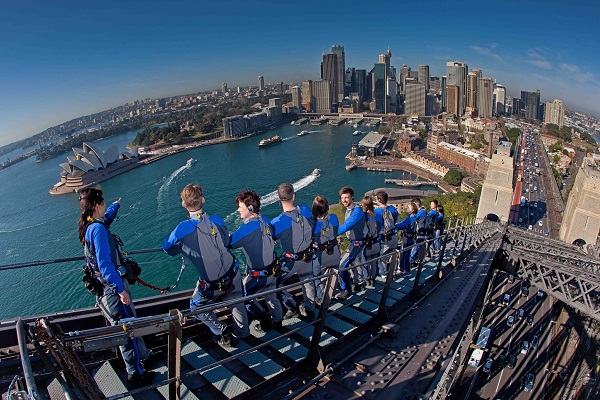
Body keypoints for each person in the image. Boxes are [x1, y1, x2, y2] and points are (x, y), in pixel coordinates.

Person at [78, 188, 154, 386]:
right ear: (96, 206)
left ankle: (143, 356)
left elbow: (107, 218)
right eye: (103, 203)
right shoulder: (99, 230)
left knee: (128, 326)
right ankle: (135, 374)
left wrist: (115, 205)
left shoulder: (91, 226)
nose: (105, 206)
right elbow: (105, 265)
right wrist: (120, 290)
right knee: (127, 331)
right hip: (112, 289)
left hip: (103, 288)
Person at [163, 184, 248, 347]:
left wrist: (184, 246)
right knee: (237, 303)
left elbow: (167, 248)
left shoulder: (182, 229)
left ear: (183, 204)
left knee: (196, 307)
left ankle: (221, 331)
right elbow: (226, 241)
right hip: (233, 272)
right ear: (202, 200)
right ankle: (244, 334)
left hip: (213, 284)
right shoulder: (216, 220)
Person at [229, 189, 283, 331]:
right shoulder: (265, 220)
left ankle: (263, 317)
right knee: (272, 297)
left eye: (240, 207)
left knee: (242, 297)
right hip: (272, 271)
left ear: (250, 208)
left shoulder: (247, 228)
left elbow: (230, 243)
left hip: (259, 277)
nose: (238, 210)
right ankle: (278, 323)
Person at [271, 183, 317, 320]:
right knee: (308, 283)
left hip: (291, 260)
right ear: (294, 196)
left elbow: (269, 237)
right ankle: (310, 310)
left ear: (278, 198)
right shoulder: (305, 210)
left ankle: (292, 306)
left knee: (274, 283)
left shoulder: (278, 222)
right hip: (308, 256)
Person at [336, 186, 367, 301]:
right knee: (356, 265)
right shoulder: (350, 210)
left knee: (341, 266)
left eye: (346, 197)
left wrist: (328, 233)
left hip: (357, 244)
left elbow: (346, 226)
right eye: (342, 198)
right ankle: (358, 283)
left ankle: (346, 289)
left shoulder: (357, 211)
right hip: (354, 242)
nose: (344, 200)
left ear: (352, 197)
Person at [311, 195, 341, 305]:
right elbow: (336, 230)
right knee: (334, 275)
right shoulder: (334, 217)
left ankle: (321, 298)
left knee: (317, 278)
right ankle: (331, 295)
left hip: (321, 255)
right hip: (335, 252)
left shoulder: (313, 223)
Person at [374, 191, 398, 277]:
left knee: (382, 258)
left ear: (379, 200)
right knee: (393, 255)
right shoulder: (392, 209)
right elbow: (395, 220)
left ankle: (383, 274)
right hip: (394, 235)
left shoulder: (376, 212)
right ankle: (393, 272)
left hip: (385, 238)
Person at [361, 196, 382, 287]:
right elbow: (381, 227)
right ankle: (373, 279)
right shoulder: (378, 215)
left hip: (367, 244)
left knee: (365, 263)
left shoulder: (363, 216)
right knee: (374, 263)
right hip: (376, 243)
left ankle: (367, 280)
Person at [395, 202, 418, 275]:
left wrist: (394, 226)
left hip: (407, 238)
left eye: (408, 207)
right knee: (406, 253)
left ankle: (404, 268)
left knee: (404, 254)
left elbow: (401, 225)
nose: (406, 208)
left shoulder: (410, 218)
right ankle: (405, 268)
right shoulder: (413, 217)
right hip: (411, 238)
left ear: (412, 210)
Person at [410, 198, 429, 267]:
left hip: (420, 233)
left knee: (416, 248)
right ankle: (414, 261)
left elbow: (412, 219)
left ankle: (411, 261)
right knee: (418, 248)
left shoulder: (420, 212)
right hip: (423, 233)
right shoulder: (424, 210)